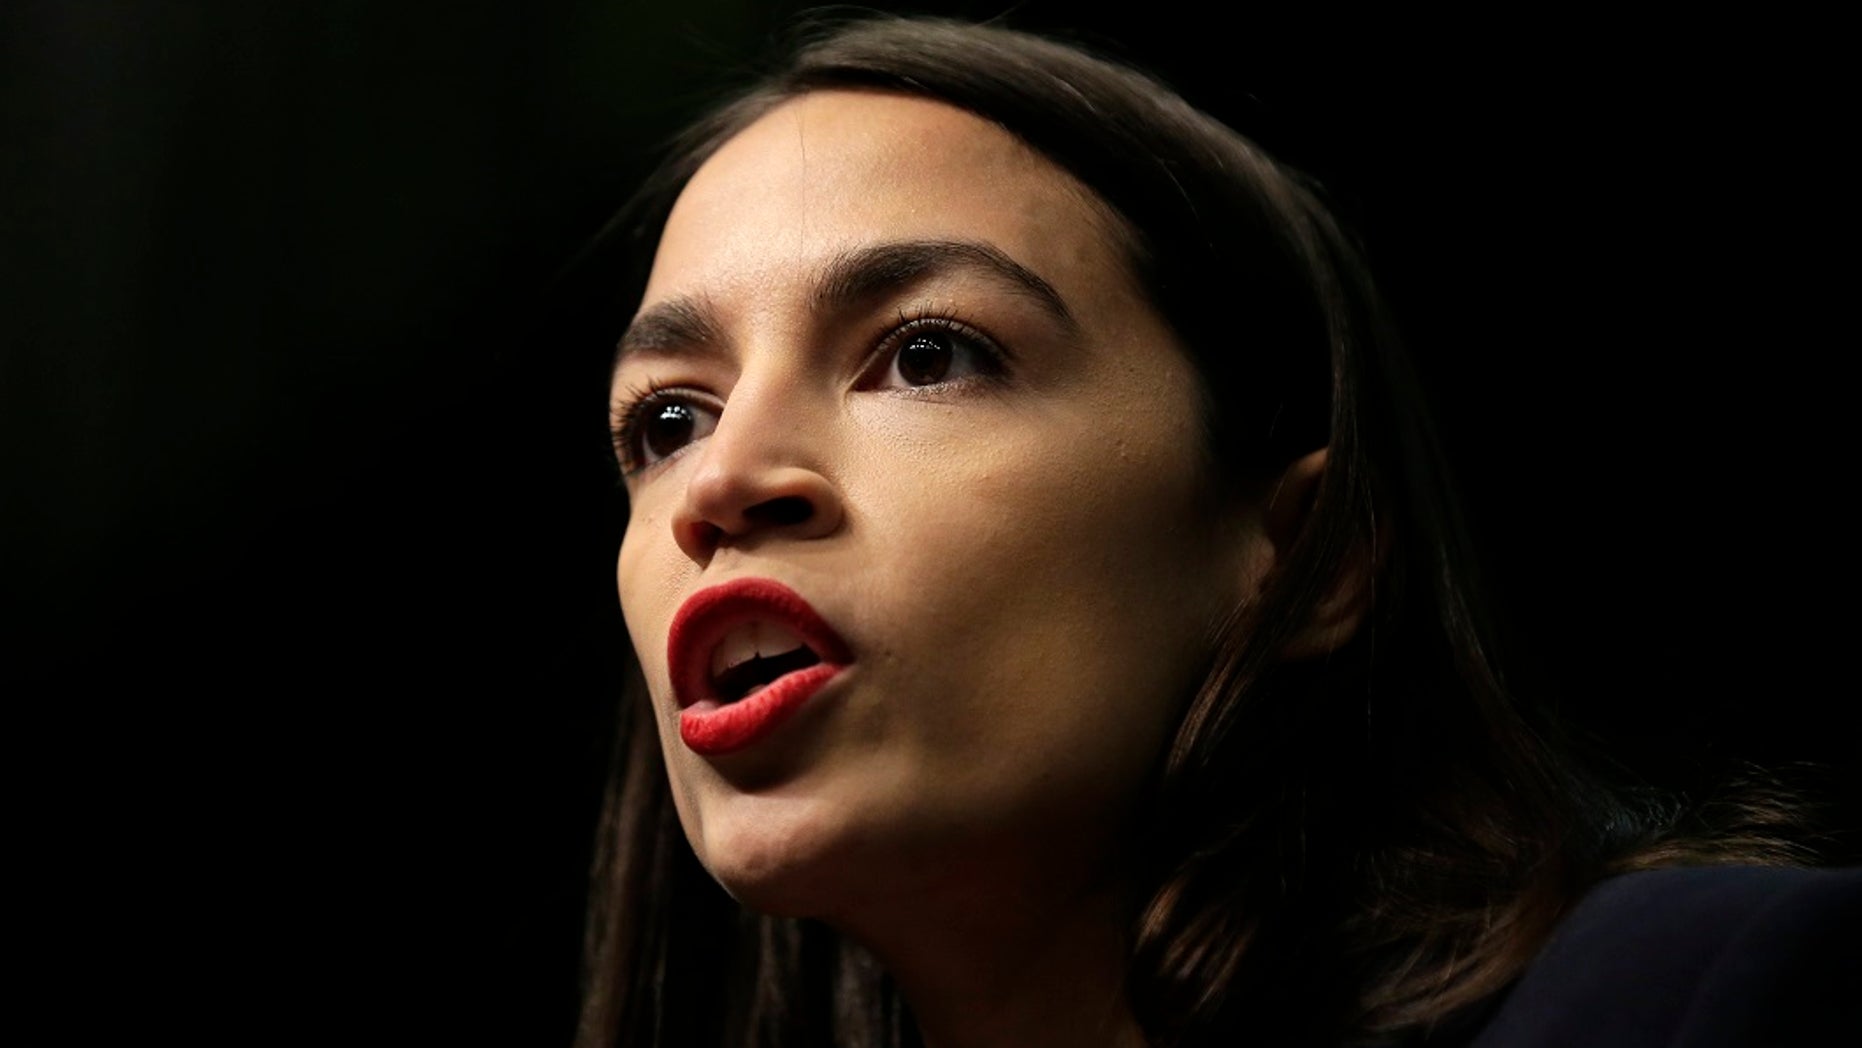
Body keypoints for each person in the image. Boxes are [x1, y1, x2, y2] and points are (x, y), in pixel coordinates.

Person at [577, 15, 1858, 1048]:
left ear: (1301, 555)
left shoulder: (1705, 993)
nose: (721, 481)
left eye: (924, 354)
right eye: (669, 418)